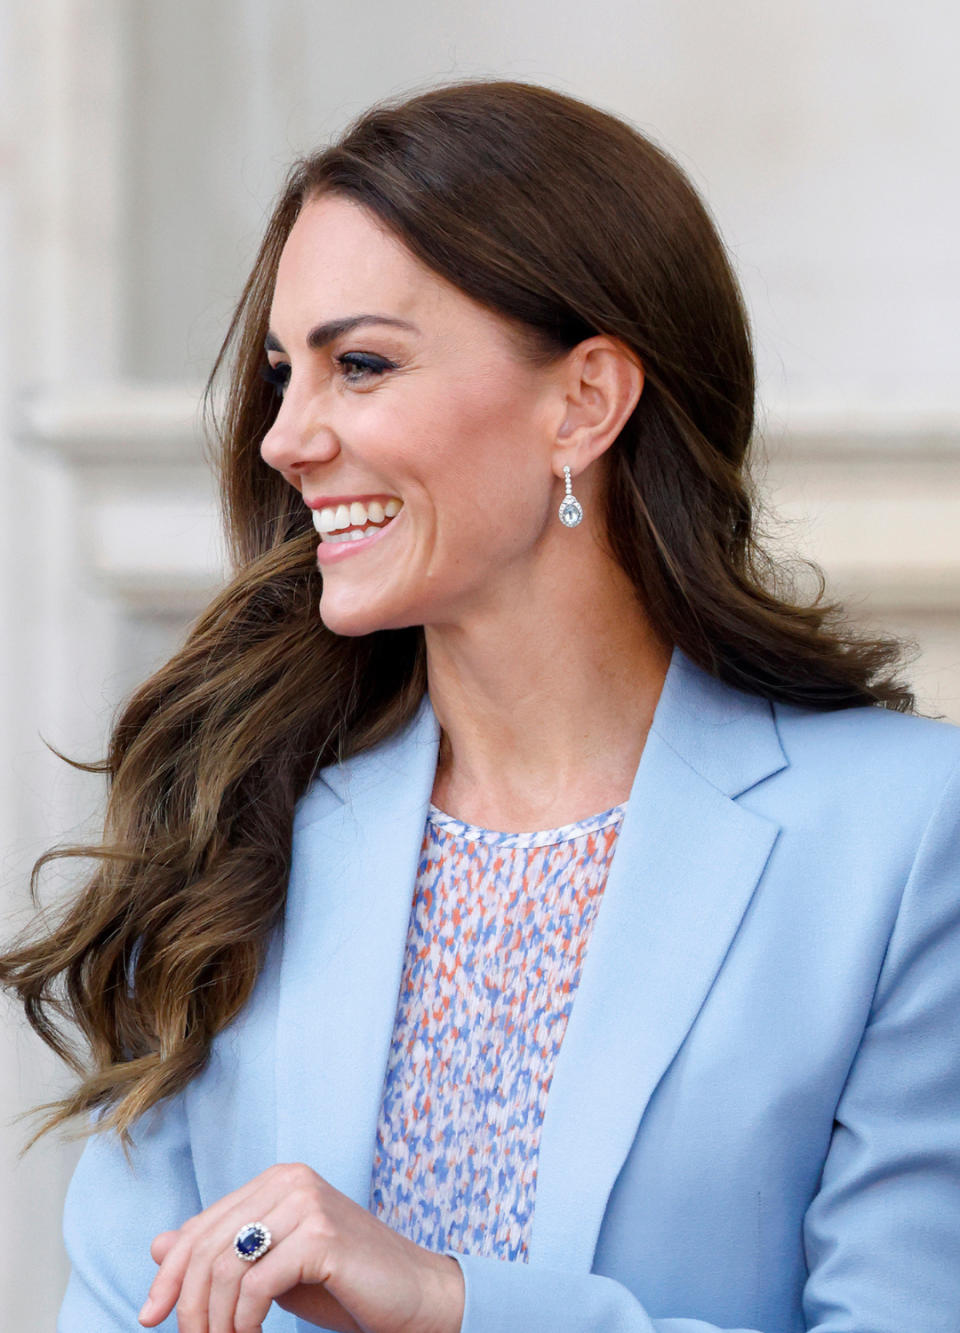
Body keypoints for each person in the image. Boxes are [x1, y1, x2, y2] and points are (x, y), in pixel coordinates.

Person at [2, 76, 959, 1333]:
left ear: (585, 401)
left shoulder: (903, 839)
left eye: (359, 364)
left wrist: (451, 1302)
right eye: (286, 373)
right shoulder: (237, 813)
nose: (287, 436)